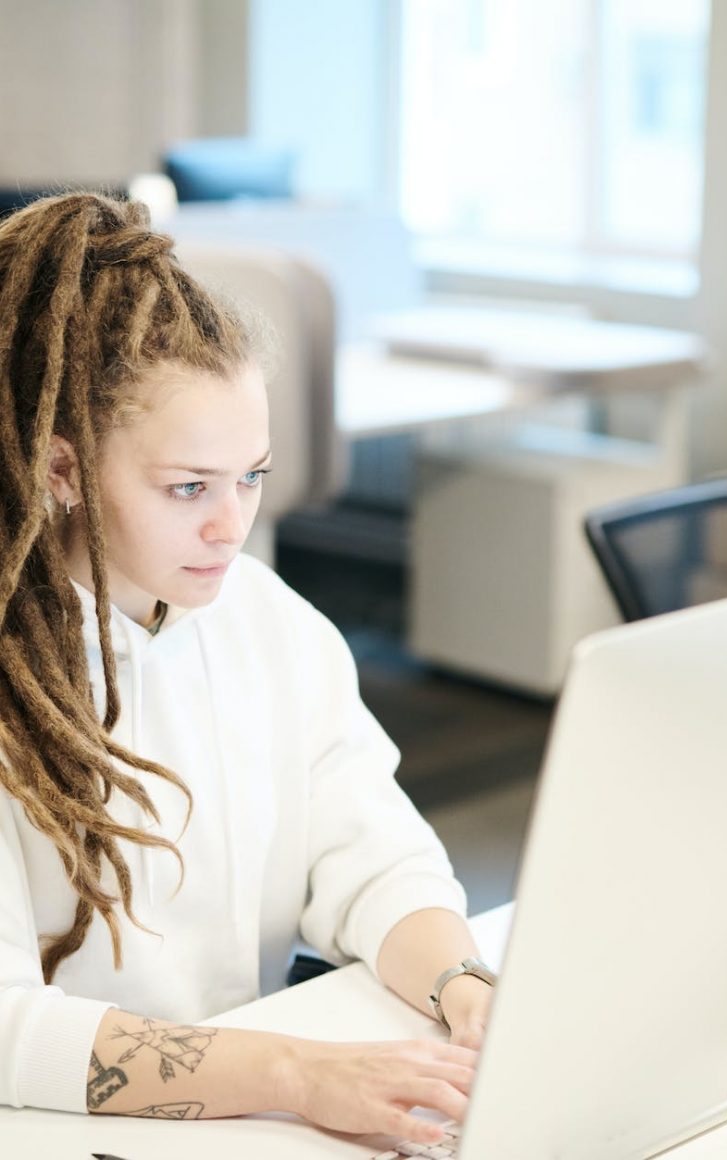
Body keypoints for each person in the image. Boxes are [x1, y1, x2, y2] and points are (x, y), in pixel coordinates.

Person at [0, 192, 493, 1145]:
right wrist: (293, 1074)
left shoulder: (267, 620)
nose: (234, 526)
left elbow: (375, 857)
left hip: (235, 1124)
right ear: (61, 470)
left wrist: (460, 986)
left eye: (252, 477)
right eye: (188, 488)